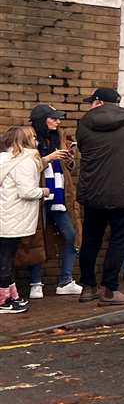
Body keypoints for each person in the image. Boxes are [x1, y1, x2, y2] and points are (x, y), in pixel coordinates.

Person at [74, 88, 124, 305]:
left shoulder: (84, 122)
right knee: (119, 241)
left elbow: (83, 148)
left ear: (98, 102)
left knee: (91, 240)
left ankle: (88, 287)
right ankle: (110, 290)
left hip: (93, 192)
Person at [26, 104, 80, 298]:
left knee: (70, 235)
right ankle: (35, 283)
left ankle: (65, 281)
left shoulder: (58, 138)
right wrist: (49, 157)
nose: (58, 121)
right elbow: (24, 168)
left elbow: (69, 169)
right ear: (42, 119)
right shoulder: (28, 139)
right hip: (36, 197)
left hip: (59, 197)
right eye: (53, 118)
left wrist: (69, 156)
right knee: (36, 239)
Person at [0, 126, 50, 314]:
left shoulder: (4, 159)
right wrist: (44, 191)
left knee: (6, 257)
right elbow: (27, 191)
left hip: (4, 215)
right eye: (34, 137)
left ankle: (11, 295)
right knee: (6, 259)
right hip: (14, 218)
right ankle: (4, 301)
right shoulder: (25, 161)